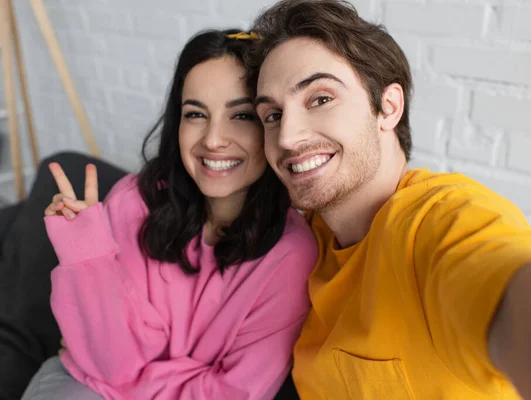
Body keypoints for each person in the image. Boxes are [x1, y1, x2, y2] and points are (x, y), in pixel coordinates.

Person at [247, 1, 531, 399]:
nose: (288, 137)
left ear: (388, 107)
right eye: (272, 115)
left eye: (320, 99)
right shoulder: (306, 237)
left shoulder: (441, 219)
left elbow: (530, 318)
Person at [21, 28, 317, 400]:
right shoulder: (133, 200)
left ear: (272, 123)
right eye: (196, 114)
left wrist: (135, 382)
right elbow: (109, 364)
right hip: (89, 385)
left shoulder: (293, 253)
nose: (212, 139)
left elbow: (233, 392)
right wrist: (86, 256)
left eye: (240, 116)